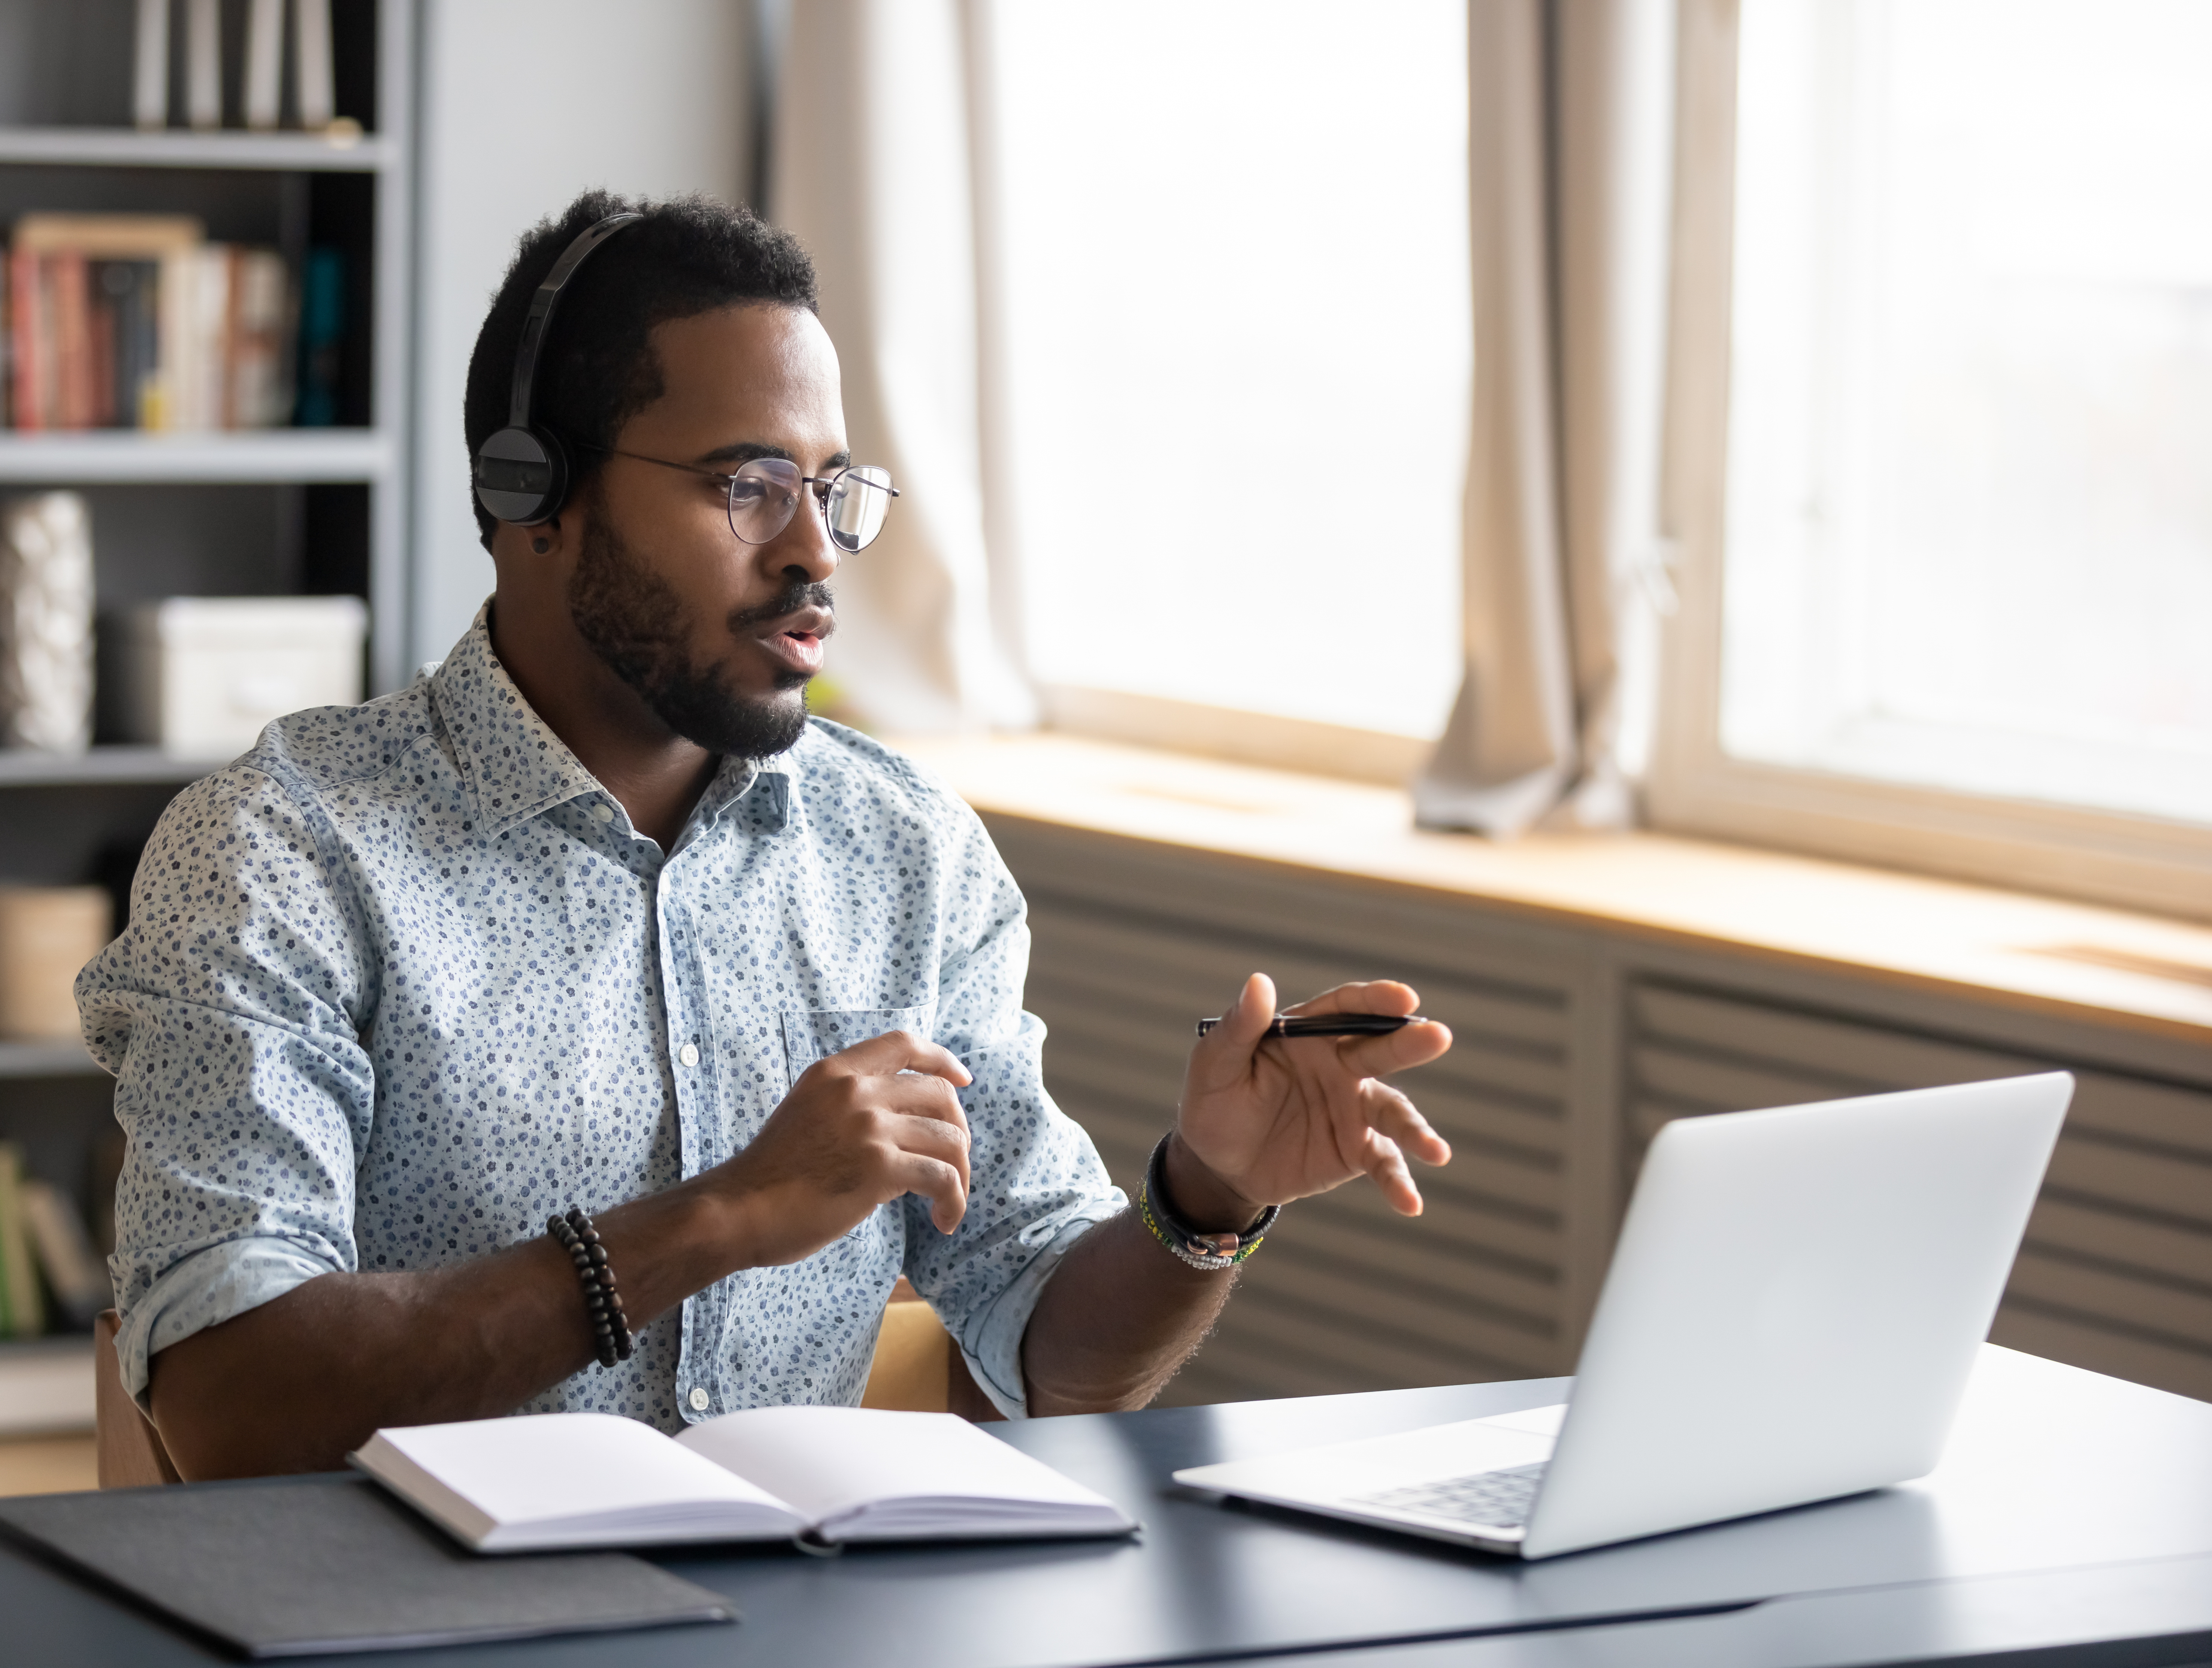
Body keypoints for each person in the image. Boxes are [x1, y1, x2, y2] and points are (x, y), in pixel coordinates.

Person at [79, 191, 1454, 1480]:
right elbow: (228, 1404)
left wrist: (1204, 1199)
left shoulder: (904, 852)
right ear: (530, 496)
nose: (815, 553)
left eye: (835, 489)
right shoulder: (283, 853)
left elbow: (1048, 1349)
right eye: (745, 486)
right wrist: (721, 1217)